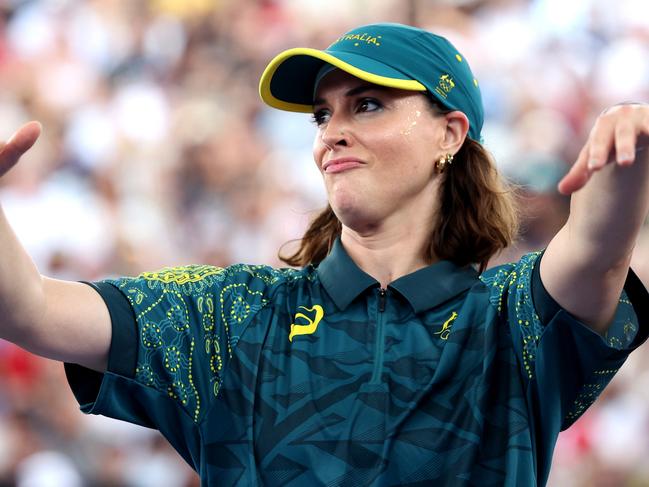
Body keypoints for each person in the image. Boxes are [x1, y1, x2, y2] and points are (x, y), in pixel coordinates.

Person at [0, 22, 648, 486]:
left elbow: (594, 251)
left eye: (367, 105)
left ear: (450, 133)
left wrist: (627, 148)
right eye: (320, 114)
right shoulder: (231, 312)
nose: (331, 132)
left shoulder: (509, 319)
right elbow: (32, 310)